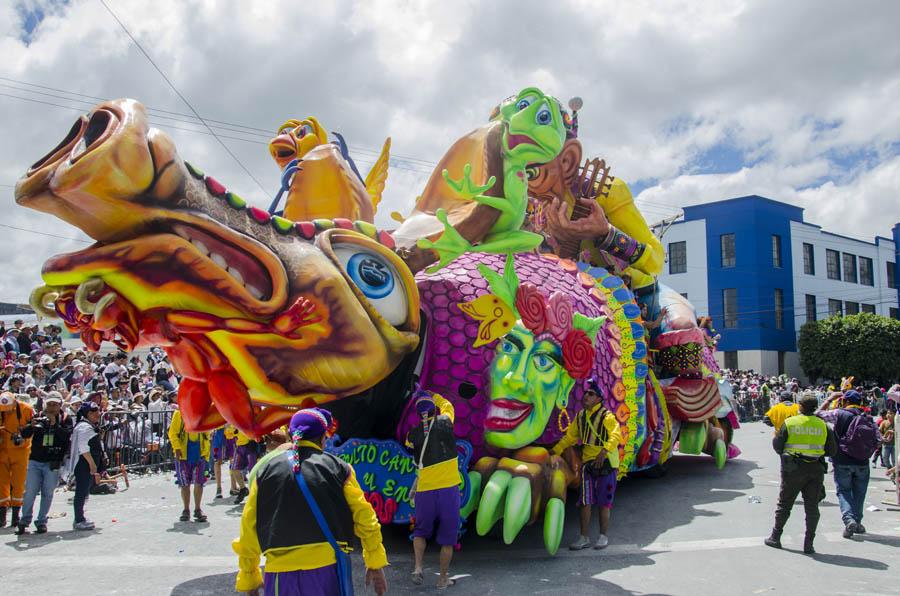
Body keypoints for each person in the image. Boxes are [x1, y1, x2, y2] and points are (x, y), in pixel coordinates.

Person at [233, 408, 388, 596]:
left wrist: (249, 576)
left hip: (280, 576)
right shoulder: (340, 469)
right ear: (323, 438)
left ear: (291, 435)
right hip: (325, 573)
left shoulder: (264, 473)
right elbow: (365, 518)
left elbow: (249, 527)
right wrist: (375, 562)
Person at [552, 380, 622, 550]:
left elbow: (616, 434)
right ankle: (584, 538)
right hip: (587, 464)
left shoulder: (607, 416)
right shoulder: (581, 416)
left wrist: (604, 451)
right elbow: (570, 437)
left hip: (605, 464)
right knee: (585, 501)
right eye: (586, 393)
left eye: (591, 394)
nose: (586, 396)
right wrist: (555, 451)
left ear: (598, 398)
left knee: (604, 502)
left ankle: (603, 536)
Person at [765, 392, 837, 554]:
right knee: (812, 507)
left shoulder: (790, 423)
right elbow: (832, 450)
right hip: (815, 469)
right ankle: (809, 544)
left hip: (793, 469)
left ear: (801, 407)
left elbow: (777, 446)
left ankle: (775, 537)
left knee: (784, 504)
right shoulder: (823, 425)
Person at [405, 390, 461, 589]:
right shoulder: (445, 421)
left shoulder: (412, 433)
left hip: (425, 490)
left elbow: (409, 444)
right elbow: (449, 406)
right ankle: (442, 578)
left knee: (420, 531)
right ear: (433, 410)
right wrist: (434, 396)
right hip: (448, 490)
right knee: (448, 537)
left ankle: (418, 568)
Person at [817, 389, 881, 538]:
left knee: (844, 491)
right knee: (859, 493)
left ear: (845, 401)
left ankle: (849, 520)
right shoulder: (869, 418)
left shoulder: (838, 414)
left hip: (842, 461)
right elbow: (878, 441)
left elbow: (817, 415)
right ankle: (857, 522)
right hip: (862, 462)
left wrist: (828, 400)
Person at [17, 391, 72, 534]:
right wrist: (32, 425)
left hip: (52, 462)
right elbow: (25, 434)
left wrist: (55, 425)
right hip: (35, 460)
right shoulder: (38, 416)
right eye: (50, 404)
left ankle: (41, 521)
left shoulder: (66, 419)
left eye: (55, 404)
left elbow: (66, 437)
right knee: (30, 492)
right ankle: (24, 520)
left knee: (48, 493)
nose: (52, 408)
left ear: (60, 405)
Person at [167, 407, 210, 522]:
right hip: (183, 455)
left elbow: (207, 433)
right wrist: (176, 448)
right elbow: (172, 433)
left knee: (199, 483)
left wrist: (206, 452)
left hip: (200, 454)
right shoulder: (179, 414)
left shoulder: (203, 414)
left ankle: (198, 509)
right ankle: (186, 510)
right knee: (185, 484)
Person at [67, 401, 104, 530]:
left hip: (86, 464)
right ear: (87, 414)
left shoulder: (88, 426)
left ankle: (80, 517)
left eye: (97, 411)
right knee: (81, 492)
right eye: (93, 412)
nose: (97, 414)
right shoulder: (84, 427)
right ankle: (79, 520)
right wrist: (92, 464)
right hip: (83, 464)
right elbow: (83, 449)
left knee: (84, 492)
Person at [0, 391, 34, 527]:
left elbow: (33, 428)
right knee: (1, 484)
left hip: (21, 452)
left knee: (18, 484)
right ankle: (2, 515)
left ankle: (16, 516)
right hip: (2, 451)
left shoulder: (26, 409)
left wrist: (23, 436)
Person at [232, 429, 258, 504]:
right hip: (239, 446)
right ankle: (243, 489)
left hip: (251, 444)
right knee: (234, 469)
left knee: (252, 470)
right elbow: (230, 433)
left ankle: (255, 493)